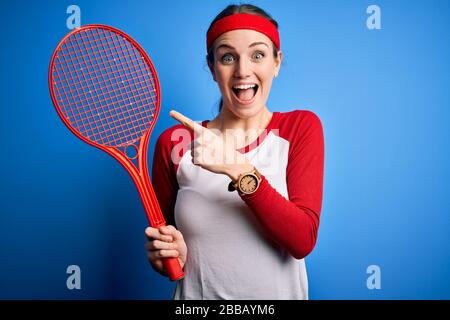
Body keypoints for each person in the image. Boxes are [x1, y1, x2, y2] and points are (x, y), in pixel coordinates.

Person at [145, 4, 324, 299]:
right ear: (213, 67)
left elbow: (302, 240)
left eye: (258, 55)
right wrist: (166, 258)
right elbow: (170, 252)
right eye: (228, 57)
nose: (243, 70)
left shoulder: (300, 128)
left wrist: (237, 168)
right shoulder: (174, 144)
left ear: (276, 63)